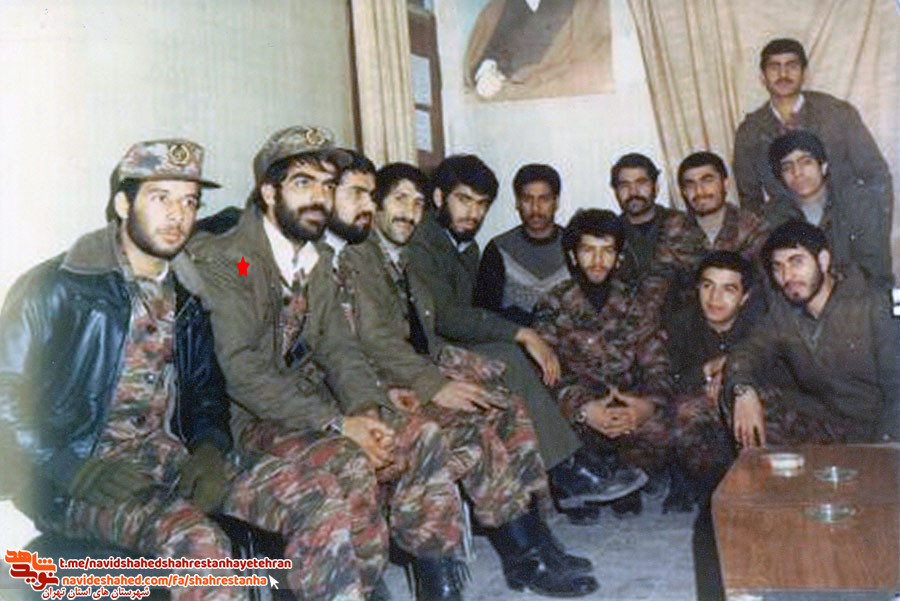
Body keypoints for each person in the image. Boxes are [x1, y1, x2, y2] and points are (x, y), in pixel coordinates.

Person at [0, 139, 376, 601]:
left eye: (189, 202)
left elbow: (205, 390)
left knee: (317, 496)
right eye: (161, 198)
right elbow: (5, 395)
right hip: (81, 475)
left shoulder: (188, 292)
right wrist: (67, 467)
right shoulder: (59, 287)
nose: (177, 215)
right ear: (123, 204)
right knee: (200, 547)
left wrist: (210, 448)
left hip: (169, 455)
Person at [189, 127, 470, 600]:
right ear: (269, 192)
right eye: (303, 183)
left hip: (308, 408)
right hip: (250, 421)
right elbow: (241, 371)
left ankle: (434, 581)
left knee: (421, 434)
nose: (319, 197)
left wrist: (368, 411)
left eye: (326, 184)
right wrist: (339, 424)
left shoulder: (313, 256)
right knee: (348, 458)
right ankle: (355, 587)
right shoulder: (233, 261)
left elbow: (340, 349)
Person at [336, 161, 600, 598]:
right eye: (398, 199)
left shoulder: (398, 257)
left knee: (505, 404)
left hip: (408, 372)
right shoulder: (355, 258)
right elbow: (374, 342)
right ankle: (523, 553)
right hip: (379, 388)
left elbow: (425, 330)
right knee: (477, 425)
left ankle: (534, 540)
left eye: (416, 203)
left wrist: (454, 373)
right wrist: (436, 385)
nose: (409, 212)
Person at [406, 154, 645, 523]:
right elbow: (448, 316)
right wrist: (522, 332)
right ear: (439, 198)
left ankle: (563, 474)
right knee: (513, 357)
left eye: (481, 204)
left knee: (519, 358)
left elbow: (471, 313)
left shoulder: (464, 245)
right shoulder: (423, 244)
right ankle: (568, 469)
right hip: (425, 352)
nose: (473, 213)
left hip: (459, 343)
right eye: (464, 200)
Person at [534, 209, 674, 518]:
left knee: (666, 426)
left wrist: (645, 406)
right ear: (573, 256)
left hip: (625, 405)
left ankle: (626, 474)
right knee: (551, 423)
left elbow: (657, 363)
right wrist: (584, 409)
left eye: (607, 251)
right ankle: (579, 483)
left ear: (619, 258)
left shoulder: (635, 303)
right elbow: (544, 370)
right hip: (577, 411)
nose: (598, 261)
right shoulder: (552, 303)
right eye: (588, 250)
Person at [726, 221, 900, 447]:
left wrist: (885, 448)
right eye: (778, 267)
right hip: (828, 424)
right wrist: (743, 391)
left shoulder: (872, 305)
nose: (787, 276)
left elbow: (897, 388)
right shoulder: (784, 311)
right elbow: (750, 349)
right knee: (725, 407)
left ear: (823, 261)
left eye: (796, 262)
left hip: (880, 430)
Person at [732, 37, 893, 221]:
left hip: (847, 224)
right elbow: (750, 201)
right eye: (774, 67)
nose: (783, 74)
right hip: (788, 230)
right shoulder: (750, 132)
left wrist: (875, 230)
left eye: (792, 66)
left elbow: (876, 175)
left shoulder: (838, 114)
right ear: (762, 77)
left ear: (805, 74)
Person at [665, 251, 758, 511]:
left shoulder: (758, 324)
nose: (715, 298)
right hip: (698, 406)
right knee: (681, 410)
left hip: (742, 402)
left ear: (745, 297)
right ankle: (694, 481)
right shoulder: (680, 323)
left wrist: (731, 369)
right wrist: (707, 370)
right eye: (708, 286)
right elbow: (664, 378)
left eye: (728, 289)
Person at [765, 130, 892, 289]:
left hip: (861, 294)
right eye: (787, 167)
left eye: (806, 162)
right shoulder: (774, 216)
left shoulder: (858, 203)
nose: (797, 173)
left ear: (823, 166)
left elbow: (873, 267)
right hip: (802, 298)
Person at [474, 163, 569, 325]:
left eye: (544, 199)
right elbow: (485, 315)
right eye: (527, 199)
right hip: (511, 337)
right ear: (517, 203)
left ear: (556, 202)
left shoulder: (576, 246)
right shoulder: (499, 249)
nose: (535, 208)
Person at [464, 0, 611, 101]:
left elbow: (596, 63)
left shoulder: (591, 5)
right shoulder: (496, 9)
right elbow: (482, 53)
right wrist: (486, 69)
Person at [678, 151, 769, 260]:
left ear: (725, 184)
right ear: (683, 192)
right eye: (690, 184)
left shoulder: (753, 227)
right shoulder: (671, 232)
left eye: (707, 181)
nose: (699, 191)